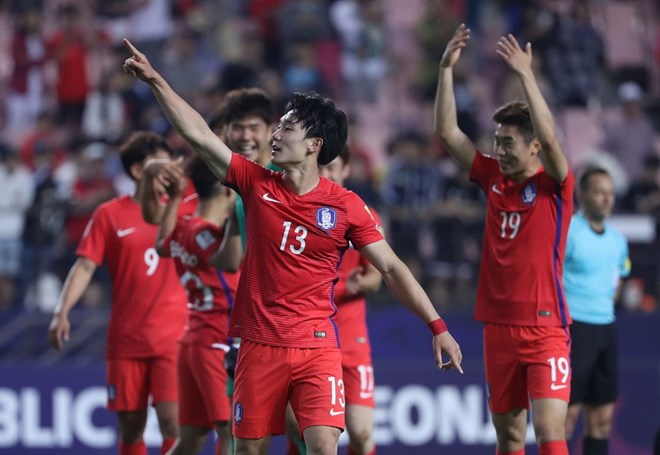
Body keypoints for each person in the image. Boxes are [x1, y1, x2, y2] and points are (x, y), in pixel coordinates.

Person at [123, 38, 463, 455]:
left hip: (317, 344)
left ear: (314, 144)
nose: (275, 135)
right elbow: (197, 134)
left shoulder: (347, 206)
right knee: (247, 450)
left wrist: (437, 327)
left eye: (287, 128)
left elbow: (391, 269)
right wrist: (157, 80)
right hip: (258, 344)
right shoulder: (253, 183)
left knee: (322, 445)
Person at [434, 25, 574, 455]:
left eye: (508, 142)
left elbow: (551, 136)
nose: (499, 150)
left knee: (551, 430)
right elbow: (448, 133)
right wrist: (445, 71)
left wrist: (526, 75)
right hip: (497, 326)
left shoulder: (556, 185)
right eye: (497, 142)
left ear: (533, 147)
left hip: (545, 326)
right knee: (509, 436)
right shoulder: (493, 177)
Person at [47, 131, 197, 455]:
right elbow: (85, 266)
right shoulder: (109, 214)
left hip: (174, 336)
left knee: (173, 423)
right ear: (138, 172)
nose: (171, 169)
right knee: (131, 428)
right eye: (161, 163)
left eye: (172, 162)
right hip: (127, 339)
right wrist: (61, 311)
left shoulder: (185, 206)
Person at [286, 146, 383, 455]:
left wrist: (362, 283)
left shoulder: (362, 214)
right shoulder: (296, 211)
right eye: (321, 168)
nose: (326, 175)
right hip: (304, 338)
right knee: (304, 433)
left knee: (362, 430)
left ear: (346, 171)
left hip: (351, 340)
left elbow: (377, 275)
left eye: (333, 169)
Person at [156, 156, 242, 455]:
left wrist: (176, 197)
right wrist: (241, 215)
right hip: (217, 340)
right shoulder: (208, 235)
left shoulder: (183, 226)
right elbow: (231, 263)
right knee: (231, 431)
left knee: (191, 438)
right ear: (227, 188)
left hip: (193, 339)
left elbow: (160, 244)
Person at [563, 168, 630, 455]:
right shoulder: (568, 232)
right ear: (582, 195)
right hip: (574, 329)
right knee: (565, 419)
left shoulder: (618, 241)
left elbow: (619, 279)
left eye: (610, 193)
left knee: (601, 420)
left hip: (605, 329)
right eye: (599, 192)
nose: (606, 198)